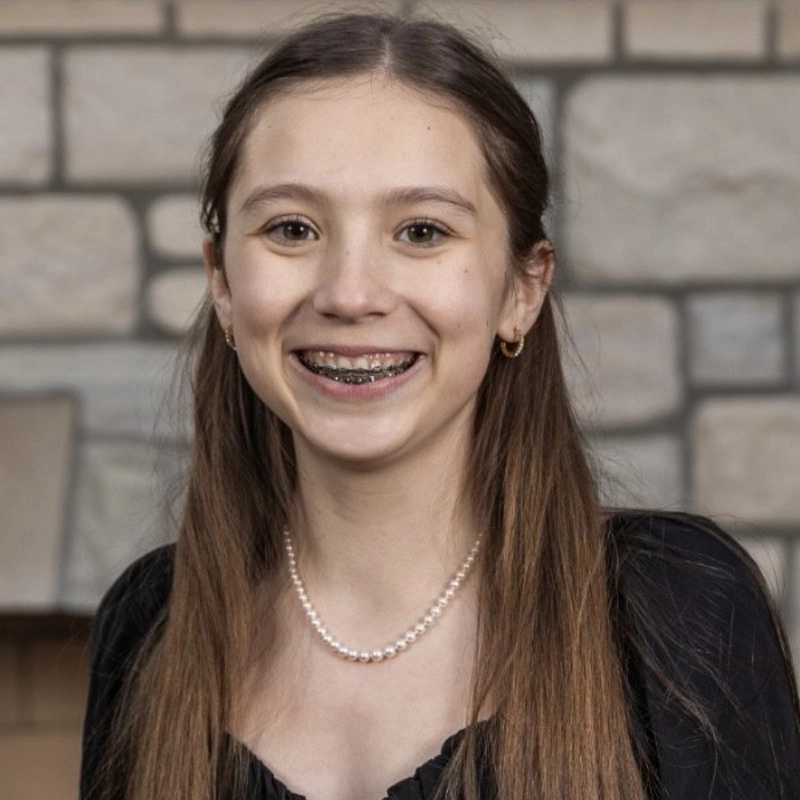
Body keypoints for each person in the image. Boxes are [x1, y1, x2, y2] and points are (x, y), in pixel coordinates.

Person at [79, 12, 800, 800]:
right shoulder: (150, 625)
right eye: (293, 228)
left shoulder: (677, 614)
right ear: (222, 282)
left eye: (421, 231)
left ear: (521, 291)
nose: (350, 293)